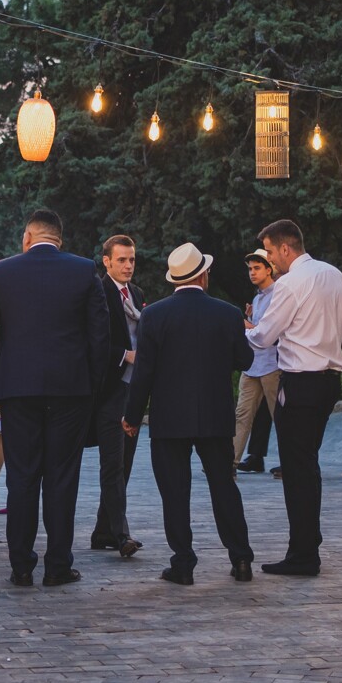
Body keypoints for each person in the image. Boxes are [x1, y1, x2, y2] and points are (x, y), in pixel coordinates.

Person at [0, 208, 109, 588]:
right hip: (70, 391)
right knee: (62, 478)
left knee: (23, 477)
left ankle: (21, 566)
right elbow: (100, 336)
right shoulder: (83, 269)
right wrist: (91, 385)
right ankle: (58, 565)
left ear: (27, 238)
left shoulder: (2, 272)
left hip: (18, 390)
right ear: (59, 239)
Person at [123, 243, 254, 585]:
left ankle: (183, 562)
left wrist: (132, 416)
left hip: (169, 419)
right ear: (203, 274)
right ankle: (241, 558)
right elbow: (246, 361)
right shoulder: (226, 314)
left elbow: (145, 373)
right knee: (224, 487)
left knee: (175, 493)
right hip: (215, 415)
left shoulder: (155, 315)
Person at [245, 219, 342, 577]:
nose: (270, 259)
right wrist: (320, 332)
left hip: (300, 382)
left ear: (286, 249)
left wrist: (243, 328)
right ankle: (308, 543)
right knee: (307, 463)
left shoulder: (290, 283)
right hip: (329, 382)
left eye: (271, 252)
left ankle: (304, 554)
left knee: (296, 469)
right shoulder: (334, 274)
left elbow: (263, 337)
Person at [91, 234, 144, 559]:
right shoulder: (98, 291)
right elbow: (92, 341)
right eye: (121, 259)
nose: (127, 265)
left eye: (132, 259)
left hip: (132, 391)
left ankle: (102, 532)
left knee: (124, 463)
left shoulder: (136, 294)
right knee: (112, 463)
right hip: (109, 390)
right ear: (107, 261)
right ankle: (121, 534)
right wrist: (125, 354)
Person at [233, 251, 281, 473]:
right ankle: (230, 462)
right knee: (242, 414)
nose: (252, 273)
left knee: (279, 416)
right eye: (250, 269)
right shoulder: (258, 297)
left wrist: (246, 325)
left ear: (269, 269)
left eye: (257, 268)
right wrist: (250, 322)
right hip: (252, 365)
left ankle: (290, 462)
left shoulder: (278, 294)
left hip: (272, 365)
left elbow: (270, 332)